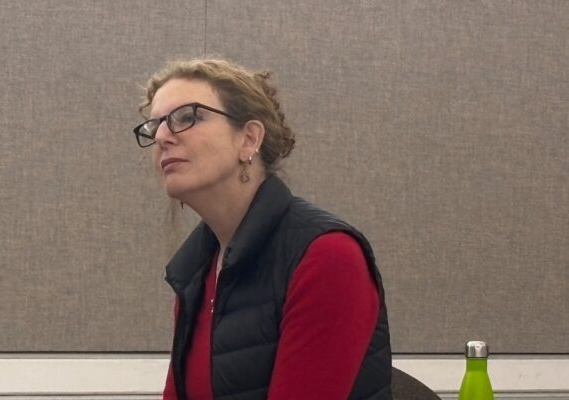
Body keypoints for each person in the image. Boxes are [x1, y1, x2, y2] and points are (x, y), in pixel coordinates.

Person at [133, 58, 392, 400]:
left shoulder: (328, 257)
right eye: (155, 126)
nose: (163, 136)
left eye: (186, 117)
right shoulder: (195, 271)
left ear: (249, 139)